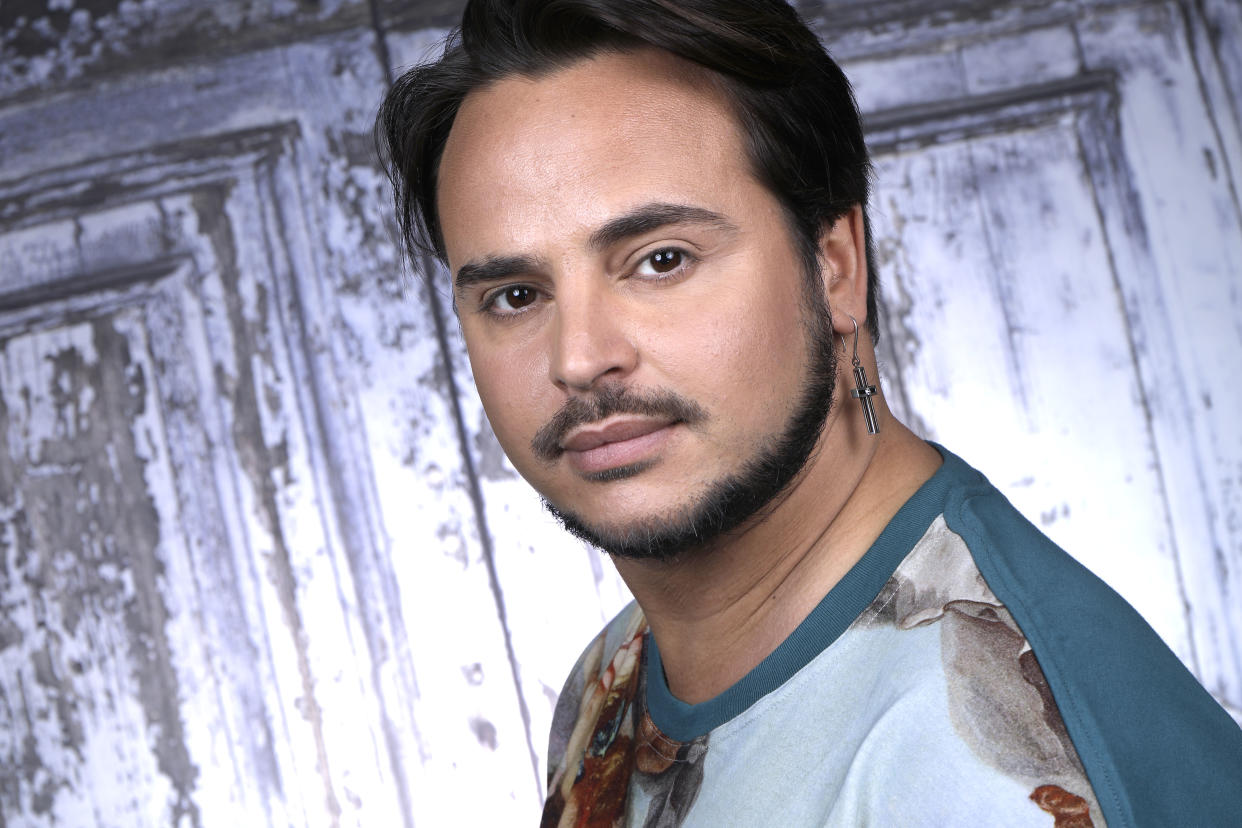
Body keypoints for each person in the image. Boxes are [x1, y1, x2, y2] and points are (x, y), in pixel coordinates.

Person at [375, 0, 1242, 824]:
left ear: (834, 266)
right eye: (517, 294)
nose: (578, 356)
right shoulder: (616, 676)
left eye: (661, 259)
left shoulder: (983, 773)